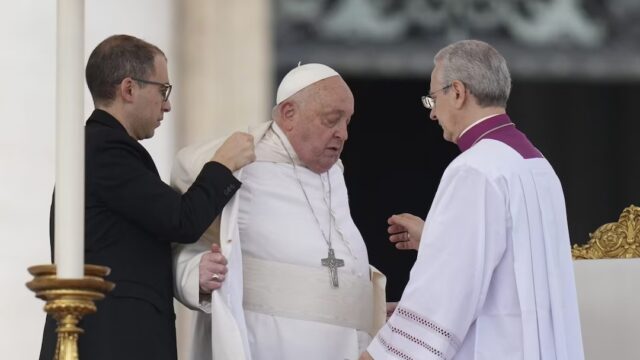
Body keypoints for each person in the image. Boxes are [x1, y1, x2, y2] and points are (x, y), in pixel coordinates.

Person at [361, 40, 584, 359]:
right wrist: (436, 241)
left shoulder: (474, 170)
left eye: (433, 99)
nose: (433, 113)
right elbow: (514, 270)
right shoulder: (538, 165)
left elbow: (443, 298)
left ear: (457, 92)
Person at [39, 34, 255, 360]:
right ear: (129, 89)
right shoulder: (105, 149)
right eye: (162, 90)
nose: (167, 104)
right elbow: (181, 220)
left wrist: (191, 273)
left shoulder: (98, 147)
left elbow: (134, 249)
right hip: (110, 341)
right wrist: (223, 163)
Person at [171, 63, 387, 360]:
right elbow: (183, 237)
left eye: (348, 122)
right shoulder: (239, 163)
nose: (344, 134)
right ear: (288, 114)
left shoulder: (335, 172)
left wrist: (363, 300)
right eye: (332, 120)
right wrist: (194, 274)